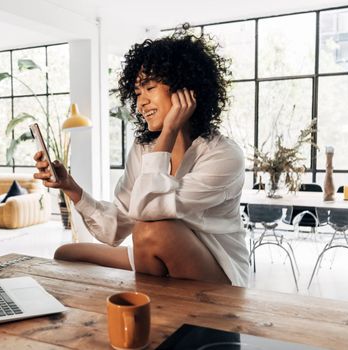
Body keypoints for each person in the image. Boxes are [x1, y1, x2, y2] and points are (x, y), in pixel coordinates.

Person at [33, 24, 249, 287]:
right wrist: (71, 188)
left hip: (216, 268)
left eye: (149, 88)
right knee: (66, 253)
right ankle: (148, 303)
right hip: (156, 252)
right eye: (137, 93)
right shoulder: (144, 149)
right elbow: (116, 227)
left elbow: (147, 213)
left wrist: (169, 131)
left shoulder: (223, 155)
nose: (140, 103)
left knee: (152, 228)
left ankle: (149, 316)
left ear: (185, 88)